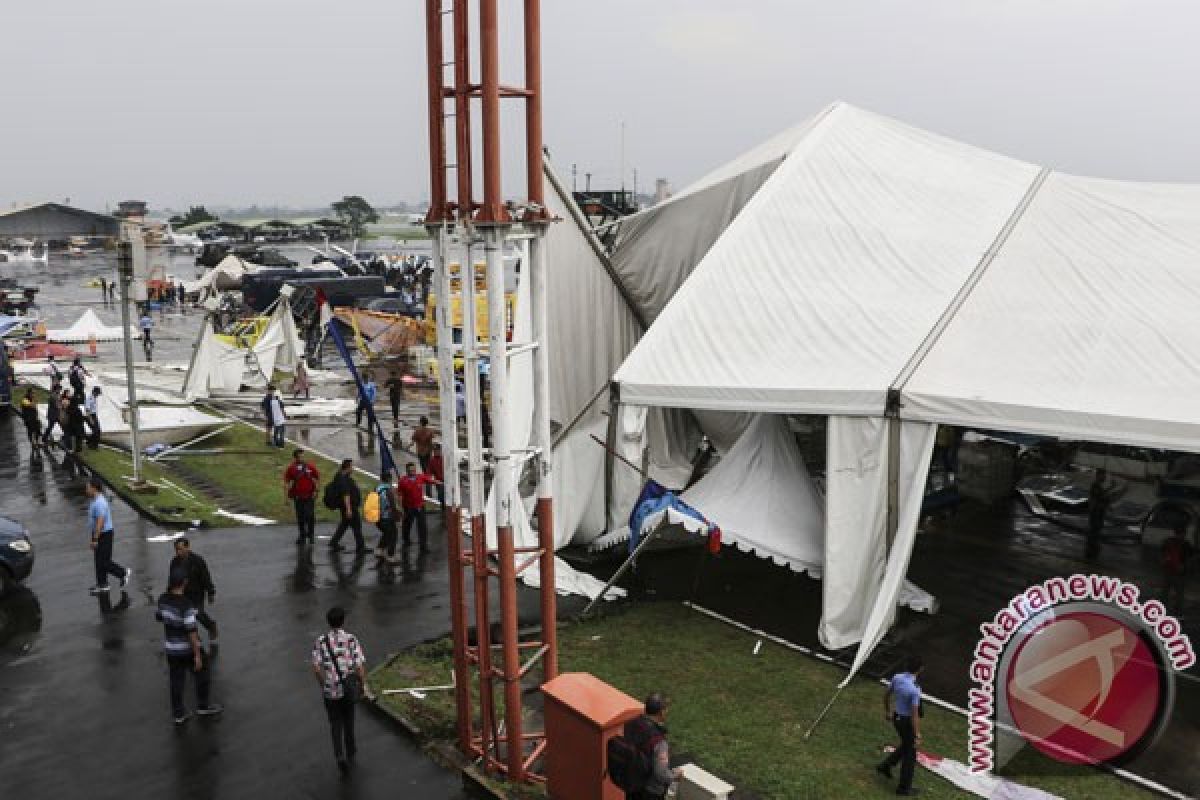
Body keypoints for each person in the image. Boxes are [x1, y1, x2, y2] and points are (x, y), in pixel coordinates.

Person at [156, 568, 223, 725]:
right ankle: (203, 706)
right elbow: (192, 632)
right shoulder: (186, 605)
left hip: (171, 649)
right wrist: (198, 655)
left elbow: (159, 616)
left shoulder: (162, 599)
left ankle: (178, 714)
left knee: (176, 681)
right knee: (202, 674)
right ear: (184, 583)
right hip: (187, 649)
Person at [311, 606, 368, 772]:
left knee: (335, 724)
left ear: (328, 622)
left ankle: (339, 755)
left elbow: (315, 668)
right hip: (348, 689)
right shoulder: (351, 639)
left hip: (330, 691)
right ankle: (351, 751)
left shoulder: (321, 641)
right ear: (343, 621)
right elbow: (359, 666)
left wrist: (323, 684)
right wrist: (362, 685)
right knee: (349, 720)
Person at [877, 656, 925, 796]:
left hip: (897, 718)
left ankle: (885, 766)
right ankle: (904, 788)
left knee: (906, 745)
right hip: (906, 722)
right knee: (910, 754)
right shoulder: (915, 689)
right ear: (920, 669)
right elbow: (915, 715)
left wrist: (887, 711)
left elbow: (886, 695)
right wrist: (917, 734)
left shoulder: (897, 677)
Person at [622, 693, 681, 800]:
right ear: (661, 712)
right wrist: (675, 776)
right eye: (666, 709)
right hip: (650, 791)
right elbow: (661, 774)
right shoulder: (658, 741)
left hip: (632, 783)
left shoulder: (630, 724)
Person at [86, 477, 132, 595]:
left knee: (104, 562)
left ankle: (123, 573)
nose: (86, 489)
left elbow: (100, 522)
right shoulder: (94, 500)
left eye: (87, 487)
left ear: (93, 488)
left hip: (104, 534)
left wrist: (95, 539)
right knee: (98, 561)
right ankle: (103, 584)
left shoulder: (100, 503)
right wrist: (93, 537)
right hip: (98, 533)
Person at [169, 538, 218, 644]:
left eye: (181, 549)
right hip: (182, 594)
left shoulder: (197, 560)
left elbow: (205, 577)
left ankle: (210, 625)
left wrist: (211, 592)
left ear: (187, 547)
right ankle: (195, 640)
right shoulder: (174, 562)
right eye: (176, 549)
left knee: (198, 614)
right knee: (186, 618)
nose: (178, 552)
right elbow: (172, 579)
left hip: (197, 594)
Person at [397, 462, 439, 551]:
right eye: (410, 470)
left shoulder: (420, 477)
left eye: (414, 470)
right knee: (407, 524)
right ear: (407, 471)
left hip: (420, 506)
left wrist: (439, 483)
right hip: (408, 507)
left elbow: (429, 480)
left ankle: (423, 546)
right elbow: (400, 495)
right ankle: (406, 539)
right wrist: (401, 508)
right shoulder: (402, 481)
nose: (412, 472)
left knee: (422, 527)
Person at [329, 459, 366, 553]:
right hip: (349, 507)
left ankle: (334, 542)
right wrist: (349, 509)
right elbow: (346, 495)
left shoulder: (339, 476)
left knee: (344, 524)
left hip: (345, 506)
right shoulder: (343, 479)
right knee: (357, 526)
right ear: (348, 467)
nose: (352, 468)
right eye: (351, 466)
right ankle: (360, 547)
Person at [285, 449, 320, 546]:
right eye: (301, 455)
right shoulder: (291, 468)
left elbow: (317, 478)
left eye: (303, 455)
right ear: (296, 457)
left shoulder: (310, 466)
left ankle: (311, 534)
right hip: (298, 497)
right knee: (300, 517)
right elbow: (287, 482)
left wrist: (316, 491)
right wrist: (286, 498)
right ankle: (302, 535)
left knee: (309, 515)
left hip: (309, 496)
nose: (303, 457)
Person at [1162, 525, 1194, 617]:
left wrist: (1164, 562)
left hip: (1169, 571)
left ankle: (1162, 609)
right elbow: (1190, 558)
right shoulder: (1186, 544)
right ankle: (1177, 612)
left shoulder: (1168, 541)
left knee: (1166, 592)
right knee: (1178, 594)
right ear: (1184, 533)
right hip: (1179, 573)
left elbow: (1162, 554)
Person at [372, 468, 401, 564]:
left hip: (377, 517)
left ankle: (379, 550)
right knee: (393, 535)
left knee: (386, 533)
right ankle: (390, 555)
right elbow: (393, 506)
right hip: (387, 517)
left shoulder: (377, 488)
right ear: (389, 478)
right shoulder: (388, 491)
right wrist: (397, 517)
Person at [1087, 469, 1116, 560]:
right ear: (1098, 475)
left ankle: (1092, 550)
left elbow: (1102, 495)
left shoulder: (1098, 486)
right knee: (1094, 532)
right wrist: (1111, 489)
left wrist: (1111, 487)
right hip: (1096, 513)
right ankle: (1091, 551)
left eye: (1105, 476)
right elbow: (1101, 497)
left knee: (1096, 532)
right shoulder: (1095, 486)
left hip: (1098, 513)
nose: (1104, 478)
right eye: (1103, 476)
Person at [428, 442, 445, 508]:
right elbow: (429, 471)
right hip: (438, 481)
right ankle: (443, 507)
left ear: (440, 450)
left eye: (437, 450)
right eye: (435, 451)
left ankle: (444, 507)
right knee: (441, 496)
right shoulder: (432, 461)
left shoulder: (444, 458)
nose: (436, 452)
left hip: (446, 480)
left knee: (446, 496)